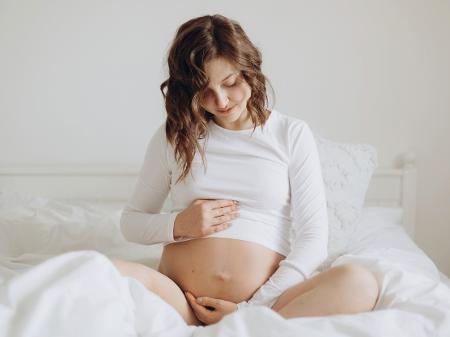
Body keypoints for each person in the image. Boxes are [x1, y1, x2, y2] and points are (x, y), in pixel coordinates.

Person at [112, 14, 379, 327]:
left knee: (360, 282)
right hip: (180, 302)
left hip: (269, 306)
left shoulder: (289, 133)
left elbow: (313, 239)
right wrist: (179, 224)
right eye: (204, 90)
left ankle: (255, 327)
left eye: (230, 83)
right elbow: (131, 223)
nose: (221, 100)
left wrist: (250, 310)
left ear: (250, 71)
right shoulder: (174, 136)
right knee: (97, 269)